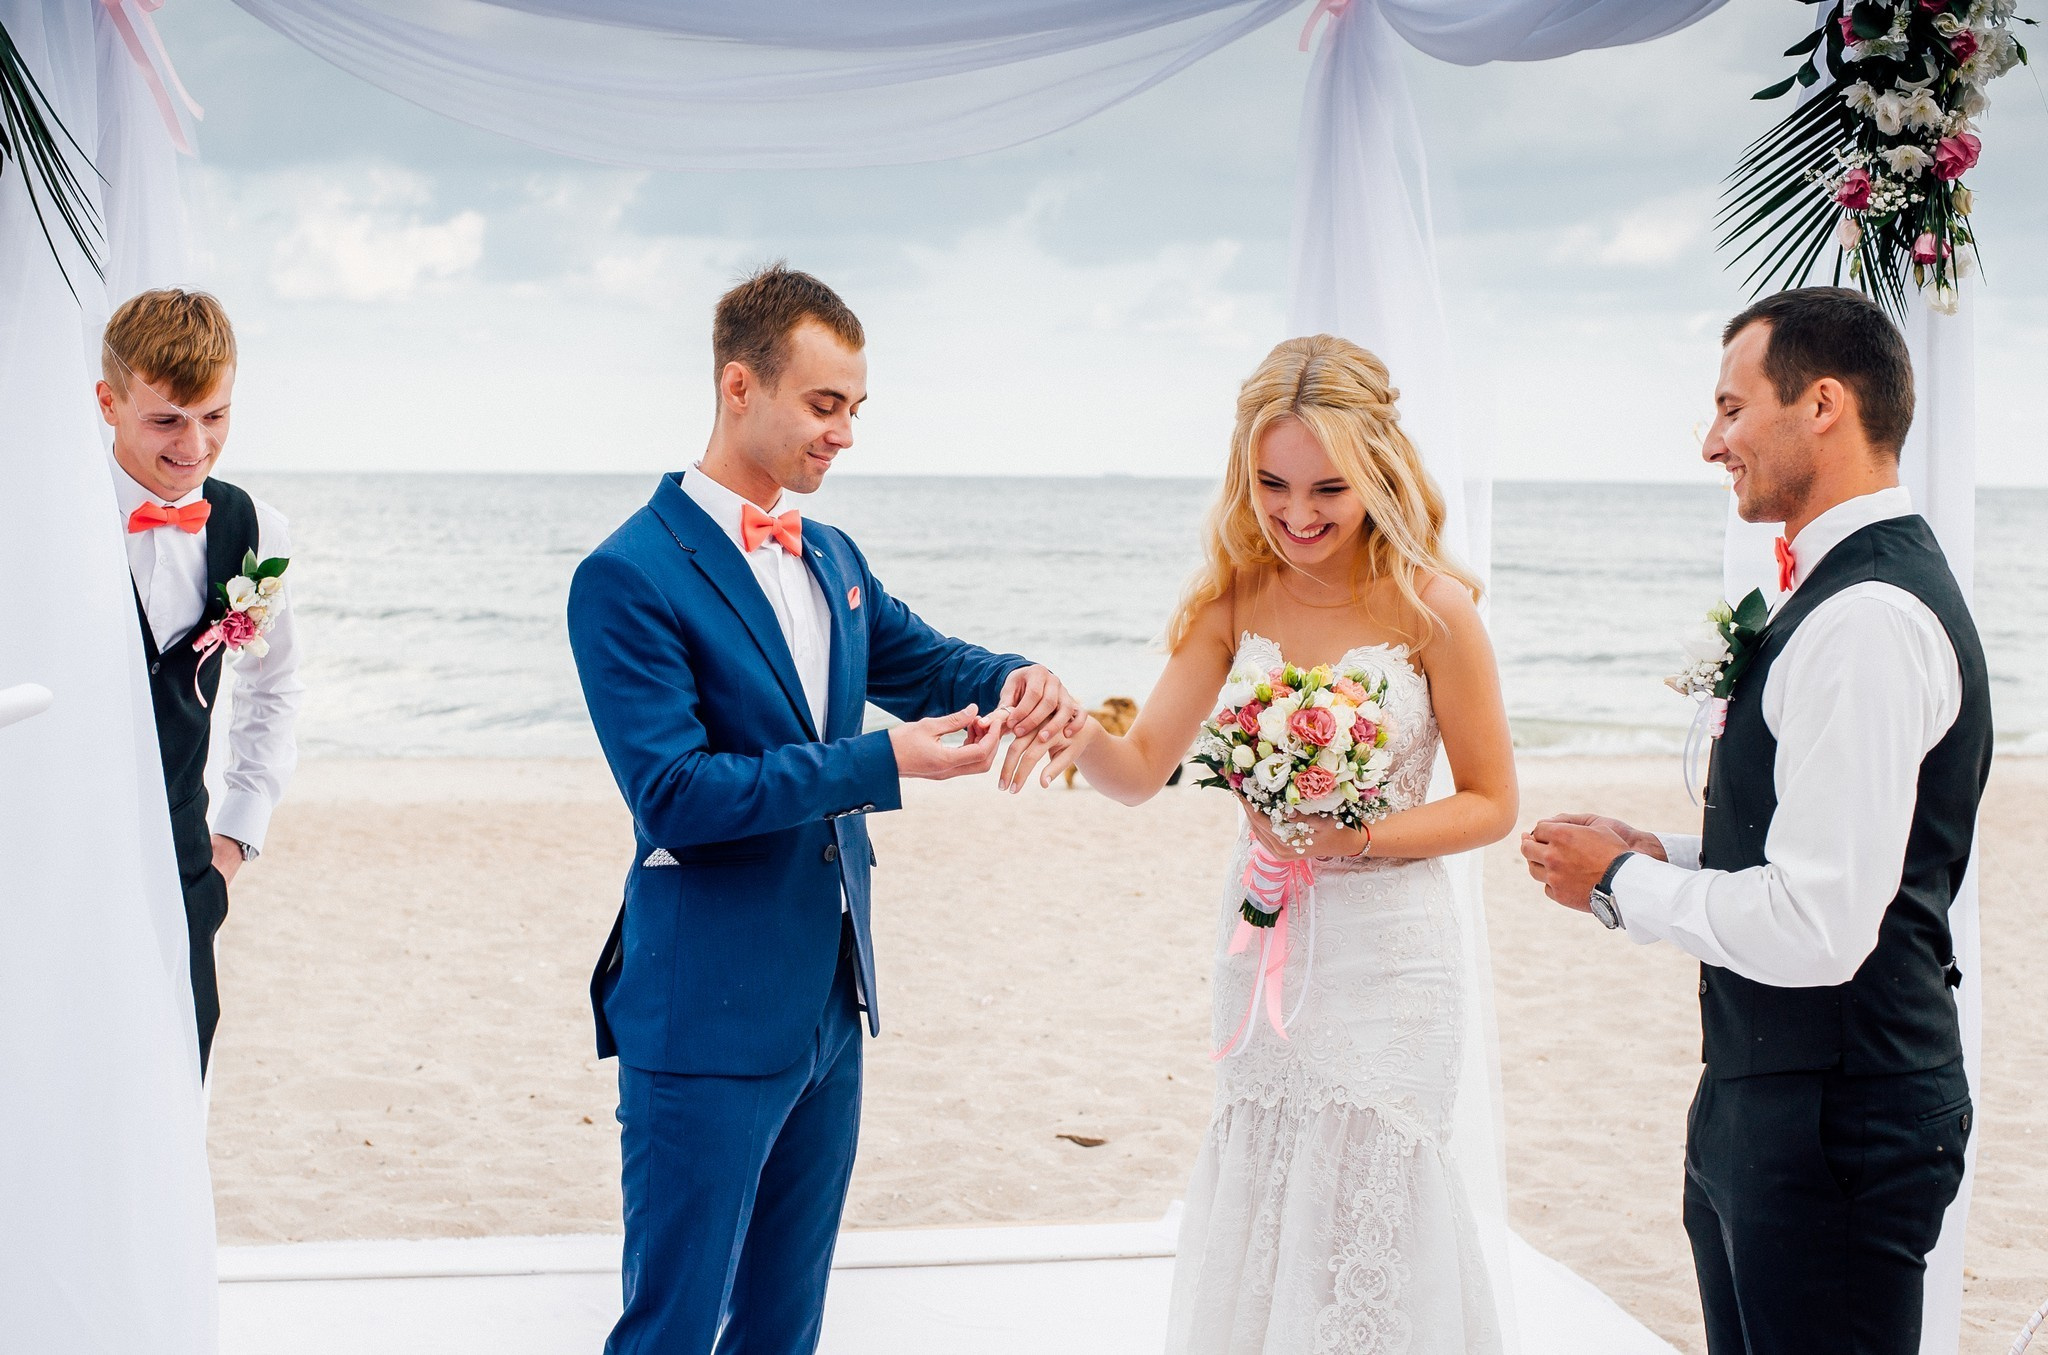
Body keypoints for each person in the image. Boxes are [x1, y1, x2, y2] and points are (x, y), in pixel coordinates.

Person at [566, 264, 1083, 1355]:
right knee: (670, 1328)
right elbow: (674, 795)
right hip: (702, 1011)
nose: (844, 433)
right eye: (824, 403)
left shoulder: (834, 554)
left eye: (855, 408)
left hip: (828, 1009)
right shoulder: (626, 574)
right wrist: (877, 761)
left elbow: (933, 660)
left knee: (783, 1328)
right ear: (738, 385)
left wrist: (1018, 676)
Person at [1520, 287, 1989, 1355]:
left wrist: (1617, 884)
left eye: (1731, 409)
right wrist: (1661, 852)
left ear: (1820, 403)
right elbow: (1819, 849)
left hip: (1835, 1118)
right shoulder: (1834, 596)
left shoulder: (1864, 619)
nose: (1709, 443)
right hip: (1770, 1101)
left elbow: (1820, 924)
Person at [1043, 335, 1519, 1352]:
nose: (1296, 515)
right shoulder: (1232, 602)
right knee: (1269, 1169)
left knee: (1379, 1180)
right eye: (1269, 485)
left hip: (1392, 955)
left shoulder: (1434, 609)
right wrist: (1069, 726)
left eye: (1325, 489)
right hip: (1267, 939)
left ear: (1378, 472)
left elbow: (1488, 801)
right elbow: (1136, 771)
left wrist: (1360, 835)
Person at [97, 288, 303, 1078]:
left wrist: (235, 841)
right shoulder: (51, 513)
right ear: (108, 403)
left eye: (215, 416)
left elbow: (273, 687)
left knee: (178, 1072)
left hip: (186, 865)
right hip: (62, 853)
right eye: (167, 420)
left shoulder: (258, 531)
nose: (195, 444)